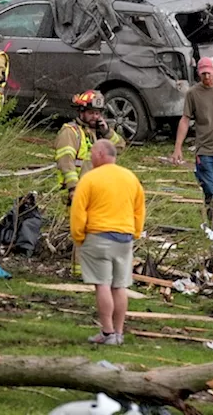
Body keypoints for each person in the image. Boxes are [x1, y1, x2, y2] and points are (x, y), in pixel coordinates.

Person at [70, 139, 144, 346]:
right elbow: (139, 209)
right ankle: (119, 333)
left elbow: (78, 210)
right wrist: (135, 231)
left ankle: (107, 332)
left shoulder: (90, 178)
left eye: (92, 153)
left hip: (98, 236)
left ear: (101, 154)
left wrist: (78, 236)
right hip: (124, 237)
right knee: (119, 286)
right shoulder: (130, 178)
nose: (90, 157)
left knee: (102, 284)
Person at [170, 57, 213, 227]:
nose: (206, 77)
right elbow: (185, 120)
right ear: (198, 74)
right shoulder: (193, 94)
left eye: (209, 73)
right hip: (204, 150)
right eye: (203, 74)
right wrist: (177, 147)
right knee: (209, 190)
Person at [56, 90, 127, 198]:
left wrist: (107, 132)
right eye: (91, 113)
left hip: (96, 191)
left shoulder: (98, 133)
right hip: (78, 192)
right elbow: (66, 161)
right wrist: (73, 187)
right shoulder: (70, 132)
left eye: (97, 113)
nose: (95, 116)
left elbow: (120, 148)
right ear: (81, 112)